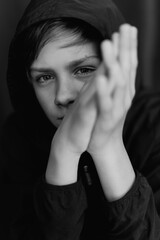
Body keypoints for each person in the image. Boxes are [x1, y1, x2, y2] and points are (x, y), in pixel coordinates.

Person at [0, 0, 160, 239]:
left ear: (115, 67)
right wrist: (63, 153)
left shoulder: (154, 125)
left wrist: (107, 146)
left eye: (83, 69)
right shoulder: (15, 140)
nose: (63, 96)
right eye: (44, 77)